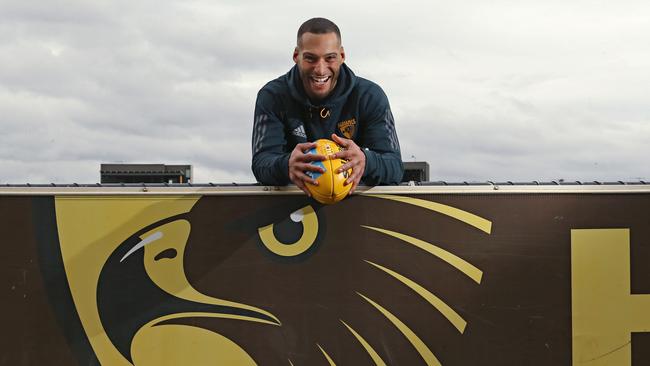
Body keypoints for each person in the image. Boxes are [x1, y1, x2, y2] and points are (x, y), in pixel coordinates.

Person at [251, 17, 403, 196]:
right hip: (292, 211)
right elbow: (261, 163)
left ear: (342, 56)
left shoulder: (370, 96)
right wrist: (286, 165)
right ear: (296, 56)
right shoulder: (272, 96)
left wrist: (365, 161)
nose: (320, 69)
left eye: (329, 58)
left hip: (356, 208)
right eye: (310, 58)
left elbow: (394, 166)